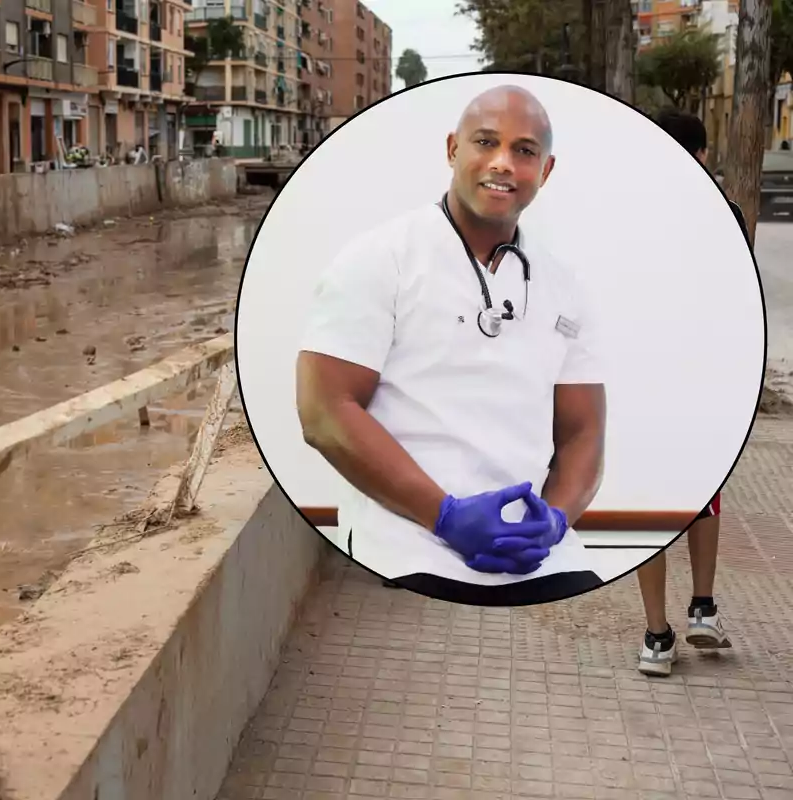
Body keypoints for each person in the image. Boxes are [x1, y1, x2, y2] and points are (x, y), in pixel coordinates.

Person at [297, 85, 608, 606]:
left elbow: (583, 432)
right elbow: (323, 411)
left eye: (524, 151)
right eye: (485, 142)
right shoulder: (380, 259)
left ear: (546, 170)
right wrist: (445, 515)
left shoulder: (564, 286)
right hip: (405, 542)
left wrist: (554, 521)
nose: (503, 163)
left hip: (533, 554)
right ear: (452, 150)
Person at [635, 108, 745, 676]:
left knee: (649, 505)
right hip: (704, 382)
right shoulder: (725, 215)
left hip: (643, 380)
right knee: (704, 495)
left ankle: (657, 636)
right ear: (702, 155)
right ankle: (702, 608)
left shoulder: (630, 217)